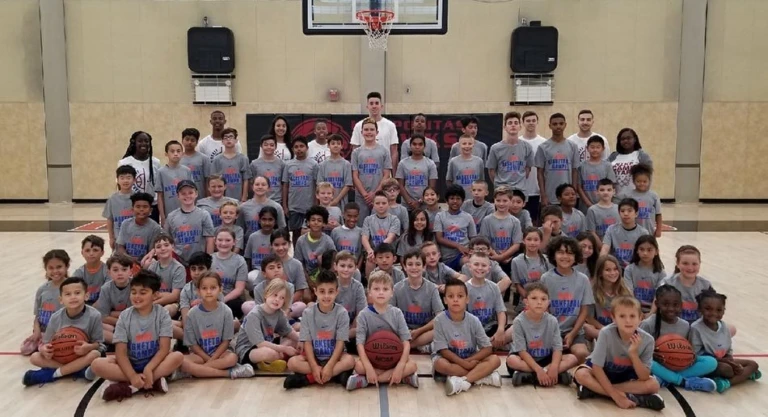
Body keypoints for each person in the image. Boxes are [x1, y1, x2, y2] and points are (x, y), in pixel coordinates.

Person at [91, 270, 184, 402]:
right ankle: (150, 382)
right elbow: (121, 353)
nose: (137, 296)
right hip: (130, 364)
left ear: (155, 295)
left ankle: (130, 386)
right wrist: (132, 375)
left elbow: (164, 348)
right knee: (96, 364)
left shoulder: (162, 314)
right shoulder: (124, 316)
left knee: (177, 357)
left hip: (154, 363)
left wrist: (149, 368)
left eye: (143, 292)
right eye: (133, 292)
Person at [573, 296, 665, 411]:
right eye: (622, 316)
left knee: (653, 385)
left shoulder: (648, 340)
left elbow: (644, 376)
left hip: (626, 377)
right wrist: (616, 397)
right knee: (581, 374)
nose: (628, 320)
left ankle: (595, 391)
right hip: (603, 371)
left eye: (632, 316)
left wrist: (633, 354)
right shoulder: (605, 333)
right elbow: (597, 368)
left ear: (640, 318)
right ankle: (634, 398)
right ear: (613, 318)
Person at [345, 271, 419, 391]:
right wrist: (368, 367)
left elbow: (406, 343)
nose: (381, 292)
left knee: (412, 365)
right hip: (373, 359)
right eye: (376, 289)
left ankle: (366, 380)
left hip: (394, 359)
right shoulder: (364, 315)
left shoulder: (397, 313)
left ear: (391, 293)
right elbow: (360, 344)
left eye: (385, 289)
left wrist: (400, 366)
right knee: (359, 366)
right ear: (369, 292)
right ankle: (401, 378)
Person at [22, 277, 103, 386]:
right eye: (68, 294)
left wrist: (88, 347)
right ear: (61, 300)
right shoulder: (55, 317)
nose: (73, 297)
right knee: (35, 357)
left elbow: (99, 345)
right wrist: (44, 350)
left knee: (95, 354)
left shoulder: (94, 315)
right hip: (62, 358)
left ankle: (52, 374)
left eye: (77, 293)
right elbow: (46, 343)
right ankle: (78, 372)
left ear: (86, 296)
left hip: (82, 356)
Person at [173, 272, 254, 380]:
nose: (209, 292)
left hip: (221, 353)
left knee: (232, 358)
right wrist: (207, 358)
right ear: (198, 291)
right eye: (204, 288)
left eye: (213, 288)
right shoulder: (192, 314)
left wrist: (213, 359)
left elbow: (226, 341)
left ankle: (196, 371)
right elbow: (193, 345)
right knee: (181, 361)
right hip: (199, 355)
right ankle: (230, 373)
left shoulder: (226, 311)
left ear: (220, 289)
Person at [284, 270, 356, 389]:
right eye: (322, 291)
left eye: (331, 292)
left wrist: (330, 365)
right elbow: (307, 342)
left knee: (349, 361)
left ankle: (308, 378)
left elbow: (340, 343)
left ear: (337, 292)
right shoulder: (308, 313)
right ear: (315, 291)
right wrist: (313, 366)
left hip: (335, 357)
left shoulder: (342, 313)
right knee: (292, 363)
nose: (326, 296)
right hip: (315, 357)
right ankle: (334, 376)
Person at [640, 285, 718, 392]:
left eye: (675, 305)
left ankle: (665, 379)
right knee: (649, 363)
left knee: (711, 362)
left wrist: (691, 357)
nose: (671, 308)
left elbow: (688, 349)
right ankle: (685, 382)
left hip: (677, 364)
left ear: (681, 305)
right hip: (657, 364)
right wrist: (652, 354)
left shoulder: (685, 325)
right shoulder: (648, 324)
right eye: (666, 304)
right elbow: (640, 352)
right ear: (657, 304)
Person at [434, 277, 502, 395]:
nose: (455, 300)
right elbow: (443, 351)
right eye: (451, 296)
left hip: (470, 359)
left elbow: (487, 348)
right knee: (440, 364)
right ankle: (480, 376)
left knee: (495, 360)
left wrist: (468, 361)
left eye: (460, 296)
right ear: (445, 300)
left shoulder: (474, 320)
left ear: (467, 299)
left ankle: (464, 381)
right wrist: (463, 363)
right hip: (450, 360)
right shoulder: (439, 320)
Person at [506, 282, 578, 387]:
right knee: (512, 360)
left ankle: (531, 376)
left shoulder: (552, 320)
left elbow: (557, 348)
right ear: (526, 302)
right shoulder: (519, 321)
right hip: (527, 360)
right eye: (534, 298)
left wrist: (553, 366)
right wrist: (539, 370)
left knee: (572, 358)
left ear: (548, 302)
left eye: (543, 299)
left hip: (546, 359)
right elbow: (521, 351)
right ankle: (551, 375)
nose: (539, 302)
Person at [690, 290, 759, 393]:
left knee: (753, 364)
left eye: (719, 310)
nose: (713, 313)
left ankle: (728, 382)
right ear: (700, 309)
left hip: (724, 360)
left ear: (723, 311)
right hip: (709, 363)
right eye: (708, 309)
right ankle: (743, 376)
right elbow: (697, 356)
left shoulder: (724, 327)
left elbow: (728, 349)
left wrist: (731, 361)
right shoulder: (696, 328)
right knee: (727, 370)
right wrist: (730, 364)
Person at [541, 236, 593, 364]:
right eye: (561, 252)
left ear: (576, 257)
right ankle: (558, 366)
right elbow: (544, 310)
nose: (565, 256)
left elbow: (584, 311)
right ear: (553, 255)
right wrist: (554, 334)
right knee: (541, 353)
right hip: (551, 329)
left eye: (570, 253)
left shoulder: (583, 279)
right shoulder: (546, 278)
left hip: (574, 331)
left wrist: (573, 334)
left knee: (582, 354)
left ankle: (558, 366)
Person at [234, 279, 300, 373]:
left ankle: (274, 360)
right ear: (266, 294)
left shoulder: (279, 313)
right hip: (248, 349)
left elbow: (289, 332)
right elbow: (260, 343)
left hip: (268, 343)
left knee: (297, 338)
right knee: (270, 353)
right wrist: (284, 348)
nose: (277, 299)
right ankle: (274, 359)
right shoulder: (254, 314)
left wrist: (304, 341)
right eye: (275, 295)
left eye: (282, 298)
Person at [392, 250, 444, 352]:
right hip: (403, 330)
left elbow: (440, 316)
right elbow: (390, 314)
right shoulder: (397, 288)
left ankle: (406, 347)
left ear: (424, 267)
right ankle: (420, 346)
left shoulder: (432, 288)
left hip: (424, 330)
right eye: (410, 264)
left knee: (442, 327)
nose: (414, 268)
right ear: (405, 267)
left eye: (418, 264)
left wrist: (420, 331)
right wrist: (404, 330)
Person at [21, 250, 70, 356]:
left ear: (66, 267)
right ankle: (42, 343)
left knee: (53, 350)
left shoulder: (71, 288)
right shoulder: (42, 290)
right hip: (43, 331)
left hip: (63, 332)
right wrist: (37, 332)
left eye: (59, 267)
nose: (55, 271)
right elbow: (37, 316)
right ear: (46, 269)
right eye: (51, 268)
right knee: (25, 349)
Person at [351, 117, 393, 224]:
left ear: (377, 132)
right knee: (361, 225)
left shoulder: (384, 151)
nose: (369, 132)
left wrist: (375, 193)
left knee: (379, 225)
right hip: (361, 197)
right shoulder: (356, 152)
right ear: (361, 132)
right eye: (366, 130)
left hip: (379, 196)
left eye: (371, 129)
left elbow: (386, 174)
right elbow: (355, 175)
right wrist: (365, 194)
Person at [464, 252, 511, 348]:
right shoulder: (464, 288)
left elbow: (501, 311)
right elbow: (462, 315)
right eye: (476, 264)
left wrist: (500, 330)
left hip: (490, 328)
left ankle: (486, 346)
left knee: (516, 328)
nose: (480, 268)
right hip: (472, 330)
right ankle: (488, 346)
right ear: (469, 267)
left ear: (489, 269)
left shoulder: (494, 287)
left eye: (484, 265)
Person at [535, 113, 581, 206]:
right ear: (550, 126)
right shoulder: (543, 147)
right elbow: (540, 173)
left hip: (567, 196)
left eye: (561, 123)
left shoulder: (572, 146)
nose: (558, 126)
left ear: (565, 125)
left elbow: (575, 171)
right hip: (550, 196)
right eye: (555, 124)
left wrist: (574, 193)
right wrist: (543, 195)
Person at [164, 180, 215, 263]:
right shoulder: (171, 216)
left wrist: (209, 260)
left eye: (190, 193)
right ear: (178, 196)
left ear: (196, 194)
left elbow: (209, 239)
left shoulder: (204, 214)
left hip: (199, 260)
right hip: (178, 260)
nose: (187, 196)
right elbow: (167, 240)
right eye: (183, 193)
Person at [661, 245, 715, 323]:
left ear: (700, 263)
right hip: (674, 324)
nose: (690, 268)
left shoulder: (705, 285)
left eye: (694, 264)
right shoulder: (668, 283)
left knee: (731, 329)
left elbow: (713, 309)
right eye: (685, 263)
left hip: (698, 325)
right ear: (678, 263)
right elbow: (657, 306)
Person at [584, 255, 632, 340]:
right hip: (600, 328)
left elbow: (630, 315)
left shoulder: (625, 290)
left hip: (621, 327)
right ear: (600, 273)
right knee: (586, 327)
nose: (613, 273)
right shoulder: (592, 290)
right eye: (608, 270)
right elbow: (588, 317)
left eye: (615, 269)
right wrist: (603, 328)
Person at [282, 136, 319, 245]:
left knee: (311, 235)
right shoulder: (288, 165)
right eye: (296, 147)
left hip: (309, 207)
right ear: (293, 149)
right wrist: (285, 206)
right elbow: (285, 186)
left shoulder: (314, 165)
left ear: (307, 148)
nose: (299, 149)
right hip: (294, 207)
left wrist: (316, 205)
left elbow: (317, 186)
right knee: (296, 236)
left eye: (301, 146)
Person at [118, 131, 162, 222]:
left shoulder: (156, 162)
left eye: (146, 141)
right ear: (134, 143)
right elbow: (120, 185)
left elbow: (158, 185)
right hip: (132, 206)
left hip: (151, 206)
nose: (143, 144)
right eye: (140, 141)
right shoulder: (125, 162)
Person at [350, 92, 399, 171]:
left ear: (381, 106)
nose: (374, 106)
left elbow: (394, 152)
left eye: (376, 103)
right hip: (364, 170)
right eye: (371, 103)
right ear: (367, 106)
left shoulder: (390, 125)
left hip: (385, 170)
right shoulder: (358, 126)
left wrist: (393, 172)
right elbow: (355, 151)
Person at [174, 252, 217, 341]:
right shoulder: (186, 290)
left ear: (209, 270)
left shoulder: (215, 288)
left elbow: (219, 315)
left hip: (212, 326)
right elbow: (186, 319)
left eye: (201, 269)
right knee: (169, 326)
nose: (197, 273)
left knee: (234, 324)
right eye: (193, 269)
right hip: (192, 327)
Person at [434, 185, 477, 271]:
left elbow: (473, 238)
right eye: (452, 198)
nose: (455, 201)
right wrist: (457, 246)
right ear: (447, 200)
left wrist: (471, 251)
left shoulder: (468, 217)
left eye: (458, 199)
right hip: (447, 257)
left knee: (470, 262)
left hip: (463, 256)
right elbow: (439, 238)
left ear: (462, 201)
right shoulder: (440, 216)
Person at [487, 111, 534, 190]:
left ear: (520, 127)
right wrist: (499, 185)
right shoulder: (495, 148)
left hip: (520, 190)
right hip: (502, 190)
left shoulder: (527, 147)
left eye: (516, 123)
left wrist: (519, 183)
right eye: (510, 123)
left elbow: (528, 169)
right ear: (504, 127)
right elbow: (491, 170)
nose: (513, 125)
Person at [599, 198, 650, 268]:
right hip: (615, 268)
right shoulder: (611, 229)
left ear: (636, 213)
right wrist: (600, 265)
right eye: (622, 211)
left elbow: (646, 255)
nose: (625, 214)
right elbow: (605, 249)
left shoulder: (643, 233)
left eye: (629, 211)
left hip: (635, 268)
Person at [141, 234, 185, 314]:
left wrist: (152, 303)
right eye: (158, 247)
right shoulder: (153, 267)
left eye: (166, 245)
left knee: (166, 310)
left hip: (173, 304)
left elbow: (174, 296)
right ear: (155, 251)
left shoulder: (179, 268)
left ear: (173, 247)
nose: (163, 249)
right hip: (154, 300)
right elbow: (149, 290)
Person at [334, 251, 367, 353]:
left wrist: (350, 330)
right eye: (342, 266)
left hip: (351, 328)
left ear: (355, 268)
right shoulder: (331, 285)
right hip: (334, 326)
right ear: (335, 266)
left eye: (350, 266)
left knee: (363, 330)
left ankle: (341, 342)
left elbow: (360, 313)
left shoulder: (358, 286)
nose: (346, 269)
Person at [210, 228, 248, 319]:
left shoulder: (240, 261)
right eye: (220, 240)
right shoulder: (209, 259)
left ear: (234, 242)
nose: (223, 243)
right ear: (215, 241)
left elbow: (239, 289)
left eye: (228, 240)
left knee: (234, 307)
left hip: (230, 299)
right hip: (211, 296)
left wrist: (222, 300)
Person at [510, 228, 550, 313]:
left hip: (544, 302)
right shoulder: (516, 261)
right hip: (525, 302)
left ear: (540, 241)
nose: (532, 243)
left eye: (536, 240)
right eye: (529, 239)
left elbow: (550, 284)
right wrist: (529, 300)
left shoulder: (546, 260)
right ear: (523, 240)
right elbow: (517, 285)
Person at [294, 206, 336, 287]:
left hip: (324, 277)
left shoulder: (328, 241)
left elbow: (333, 263)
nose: (316, 223)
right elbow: (299, 264)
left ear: (324, 223)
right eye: (313, 220)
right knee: (307, 297)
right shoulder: (301, 241)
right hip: (306, 277)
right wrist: (309, 282)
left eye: (319, 220)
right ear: (308, 222)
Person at [96, 254, 134, 344]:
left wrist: (112, 313)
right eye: (115, 270)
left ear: (131, 271)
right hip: (115, 324)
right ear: (109, 272)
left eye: (124, 269)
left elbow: (136, 313)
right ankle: (121, 343)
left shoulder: (136, 286)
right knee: (97, 327)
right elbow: (103, 317)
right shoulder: (106, 288)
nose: (120, 273)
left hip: (133, 323)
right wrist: (121, 322)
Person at [624, 235, 666, 315]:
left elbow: (658, 296)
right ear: (637, 251)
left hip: (653, 310)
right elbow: (629, 292)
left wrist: (650, 314)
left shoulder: (661, 273)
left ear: (656, 252)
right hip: (633, 309)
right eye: (641, 249)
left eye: (649, 250)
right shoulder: (629, 269)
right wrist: (637, 312)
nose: (645, 253)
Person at [361, 192, 401, 274]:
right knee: (370, 258)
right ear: (373, 204)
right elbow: (364, 238)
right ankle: (370, 284)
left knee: (384, 257)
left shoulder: (394, 219)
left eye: (383, 203)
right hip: (373, 252)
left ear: (388, 203)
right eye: (378, 203)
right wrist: (369, 250)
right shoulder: (368, 219)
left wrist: (377, 251)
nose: (381, 205)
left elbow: (390, 238)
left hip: (388, 251)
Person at [117, 192, 163, 262]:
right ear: (132, 209)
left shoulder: (155, 228)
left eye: (145, 207)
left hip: (145, 262)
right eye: (138, 207)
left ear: (150, 210)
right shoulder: (125, 224)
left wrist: (139, 264)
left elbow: (152, 252)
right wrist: (130, 260)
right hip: (127, 262)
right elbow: (120, 247)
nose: (141, 209)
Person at [396, 134, 438, 210]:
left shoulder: (431, 164)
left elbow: (432, 186)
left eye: (420, 144)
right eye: (414, 144)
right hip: (406, 206)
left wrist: (420, 201)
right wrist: (409, 201)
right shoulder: (402, 163)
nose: (417, 147)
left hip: (425, 206)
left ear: (424, 146)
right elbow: (400, 185)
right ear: (410, 146)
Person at [155, 140, 193, 224]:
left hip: (186, 212)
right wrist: (162, 216)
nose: (175, 154)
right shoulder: (161, 172)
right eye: (172, 151)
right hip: (169, 214)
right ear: (166, 154)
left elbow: (192, 193)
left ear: (182, 153)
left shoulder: (187, 171)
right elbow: (160, 196)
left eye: (178, 151)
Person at [520, 111, 547, 225]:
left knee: (535, 223)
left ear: (537, 122)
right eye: (528, 121)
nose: (531, 123)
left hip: (537, 191)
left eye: (533, 121)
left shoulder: (544, 143)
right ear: (523, 123)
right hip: (521, 189)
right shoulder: (518, 142)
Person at [608, 128, 653, 196]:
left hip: (635, 197)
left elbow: (648, 178)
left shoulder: (642, 156)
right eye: (622, 139)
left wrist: (644, 195)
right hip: (616, 198)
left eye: (628, 138)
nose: (625, 140)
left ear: (635, 139)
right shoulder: (613, 156)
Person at [621, 164, 662, 238]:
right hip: (632, 231)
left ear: (649, 181)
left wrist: (659, 229)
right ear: (633, 181)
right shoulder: (628, 196)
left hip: (649, 232)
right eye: (638, 181)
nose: (642, 183)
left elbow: (658, 214)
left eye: (644, 181)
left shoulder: (654, 196)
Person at [211, 128, 251, 202]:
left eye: (231, 137)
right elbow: (214, 180)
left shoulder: (243, 158)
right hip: (222, 199)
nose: (228, 140)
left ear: (236, 140)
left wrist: (244, 198)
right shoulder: (217, 159)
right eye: (225, 138)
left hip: (238, 198)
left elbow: (246, 179)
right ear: (222, 141)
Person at [578, 135, 616, 211]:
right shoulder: (581, 166)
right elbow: (579, 187)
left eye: (598, 147)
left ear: (603, 149)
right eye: (592, 147)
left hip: (604, 206)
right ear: (587, 148)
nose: (595, 150)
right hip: (585, 207)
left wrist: (603, 203)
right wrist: (588, 203)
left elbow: (611, 185)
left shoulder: (607, 166)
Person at [104, 165, 137, 251]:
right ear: (117, 180)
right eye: (122, 178)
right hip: (118, 239)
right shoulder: (112, 199)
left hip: (135, 239)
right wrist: (111, 238)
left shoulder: (138, 197)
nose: (125, 180)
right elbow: (109, 219)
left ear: (134, 180)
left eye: (128, 177)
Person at [316, 133, 353, 209]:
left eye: (338, 143)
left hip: (341, 203)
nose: (336, 145)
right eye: (333, 143)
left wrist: (336, 200)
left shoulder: (346, 164)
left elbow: (348, 185)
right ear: (328, 146)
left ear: (342, 146)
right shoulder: (323, 164)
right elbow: (320, 185)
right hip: (325, 203)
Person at [71, 235, 108, 305]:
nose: (91, 253)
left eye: (95, 250)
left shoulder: (108, 271)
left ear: (102, 252)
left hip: (103, 305)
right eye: (87, 250)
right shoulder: (79, 273)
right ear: (82, 253)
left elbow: (107, 295)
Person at [446, 134, 486, 199]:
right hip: (459, 197)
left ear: (473, 145)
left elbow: (481, 181)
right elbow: (449, 180)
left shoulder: (479, 161)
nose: (467, 146)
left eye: (470, 144)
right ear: (459, 145)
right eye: (464, 144)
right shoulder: (453, 161)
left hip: (474, 198)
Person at [250, 135, 285, 203]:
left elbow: (283, 184)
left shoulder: (281, 164)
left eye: (272, 145)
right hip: (259, 201)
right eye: (266, 145)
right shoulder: (254, 164)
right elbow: (251, 183)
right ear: (261, 146)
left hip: (277, 201)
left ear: (275, 147)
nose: (269, 147)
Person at [244, 206, 278, 271]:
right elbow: (248, 258)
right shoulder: (253, 237)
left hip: (274, 270)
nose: (267, 223)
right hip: (256, 270)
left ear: (275, 221)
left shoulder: (278, 236)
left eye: (270, 219)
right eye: (264, 219)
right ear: (259, 221)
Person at [179, 128, 209, 200]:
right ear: (182, 140)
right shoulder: (178, 158)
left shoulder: (204, 158)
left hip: (200, 197)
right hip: (183, 197)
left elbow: (207, 180)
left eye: (192, 140)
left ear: (197, 142)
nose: (189, 142)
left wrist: (208, 198)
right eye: (187, 139)